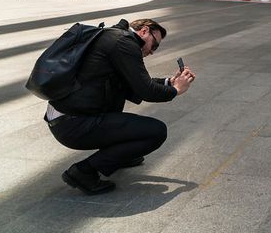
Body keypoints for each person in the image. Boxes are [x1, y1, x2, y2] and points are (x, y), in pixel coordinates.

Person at [45, 18, 196, 195]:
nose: (152, 52)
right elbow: (146, 90)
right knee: (157, 131)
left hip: (66, 119)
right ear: (145, 31)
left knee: (129, 123)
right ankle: (83, 172)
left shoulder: (114, 37)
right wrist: (176, 90)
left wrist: (169, 82)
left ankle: (120, 156)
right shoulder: (124, 44)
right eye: (154, 45)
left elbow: (134, 83)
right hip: (74, 124)